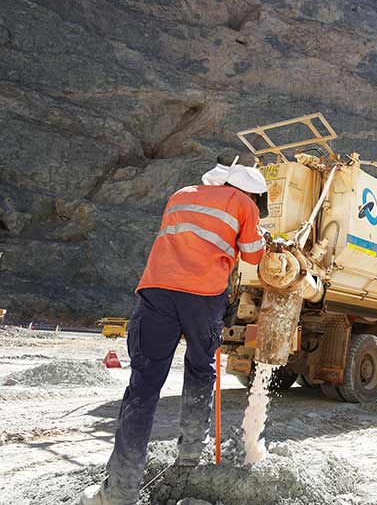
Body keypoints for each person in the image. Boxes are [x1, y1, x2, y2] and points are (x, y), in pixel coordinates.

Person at [81, 162, 268, 505]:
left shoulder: (181, 194)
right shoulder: (244, 203)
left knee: (143, 386)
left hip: (158, 292)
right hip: (204, 298)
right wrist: (264, 239)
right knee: (199, 370)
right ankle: (190, 456)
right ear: (253, 193)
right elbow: (255, 256)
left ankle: (120, 490)